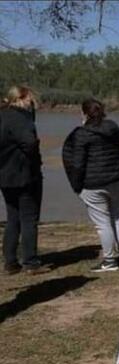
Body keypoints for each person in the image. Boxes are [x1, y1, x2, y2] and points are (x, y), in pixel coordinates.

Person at [63, 98, 119, 272]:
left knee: (102, 223)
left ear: (84, 113)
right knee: (118, 216)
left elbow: (77, 163)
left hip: (93, 183)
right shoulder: (113, 128)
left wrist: (76, 186)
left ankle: (109, 261)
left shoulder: (81, 134)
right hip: (116, 178)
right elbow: (117, 148)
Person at [0, 85, 47, 274]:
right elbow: (29, 142)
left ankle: (10, 261)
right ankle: (31, 262)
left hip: (5, 174)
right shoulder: (19, 118)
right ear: (21, 98)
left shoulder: (3, 115)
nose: (33, 103)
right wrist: (34, 161)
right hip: (24, 174)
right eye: (31, 99)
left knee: (13, 218)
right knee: (29, 218)